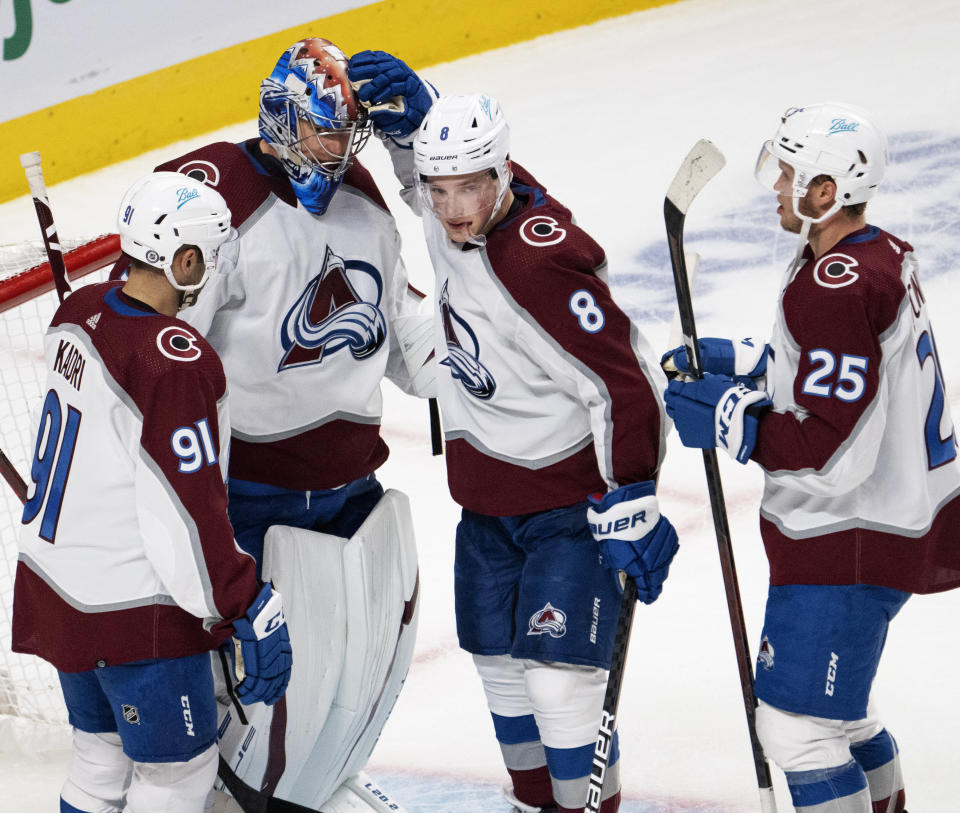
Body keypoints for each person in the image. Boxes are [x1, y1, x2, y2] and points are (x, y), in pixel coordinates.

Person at [121, 38, 433, 813]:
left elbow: (412, 347)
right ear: (281, 115)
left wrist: (427, 167)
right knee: (256, 711)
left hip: (355, 494)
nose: (339, 147)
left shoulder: (361, 197)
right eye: (326, 129)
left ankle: (311, 789)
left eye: (347, 132)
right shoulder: (214, 199)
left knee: (345, 691)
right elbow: (151, 352)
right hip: (252, 503)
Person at [353, 73, 677, 812]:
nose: (452, 211)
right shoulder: (451, 211)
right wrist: (422, 122)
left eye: (469, 189)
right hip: (487, 510)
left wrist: (634, 495)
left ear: (503, 174)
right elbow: (424, 181)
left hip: (567, 512)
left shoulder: (539, 264)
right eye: (439, 193)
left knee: (562, 689)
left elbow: (625, 383)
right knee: (501, 675)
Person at [663, 103, 960, 812]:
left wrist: (733, 421)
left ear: (827, 190)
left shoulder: (838, 286)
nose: (776, 186)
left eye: (790, 173)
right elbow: (845, 380)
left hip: (848, 537)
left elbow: (832, 452)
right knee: (842, 719)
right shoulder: (871, 256)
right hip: (883, 524)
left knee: (798, 731)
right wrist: (744, 366)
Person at [12, 171, 292, 813]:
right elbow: (185, 513)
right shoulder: (176, 359)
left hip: (57, 590)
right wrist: (243, 601)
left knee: (99, 762)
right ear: (185, 259)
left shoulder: (77, 310)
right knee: (176, 778)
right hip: (133, 610)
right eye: (214, 257)